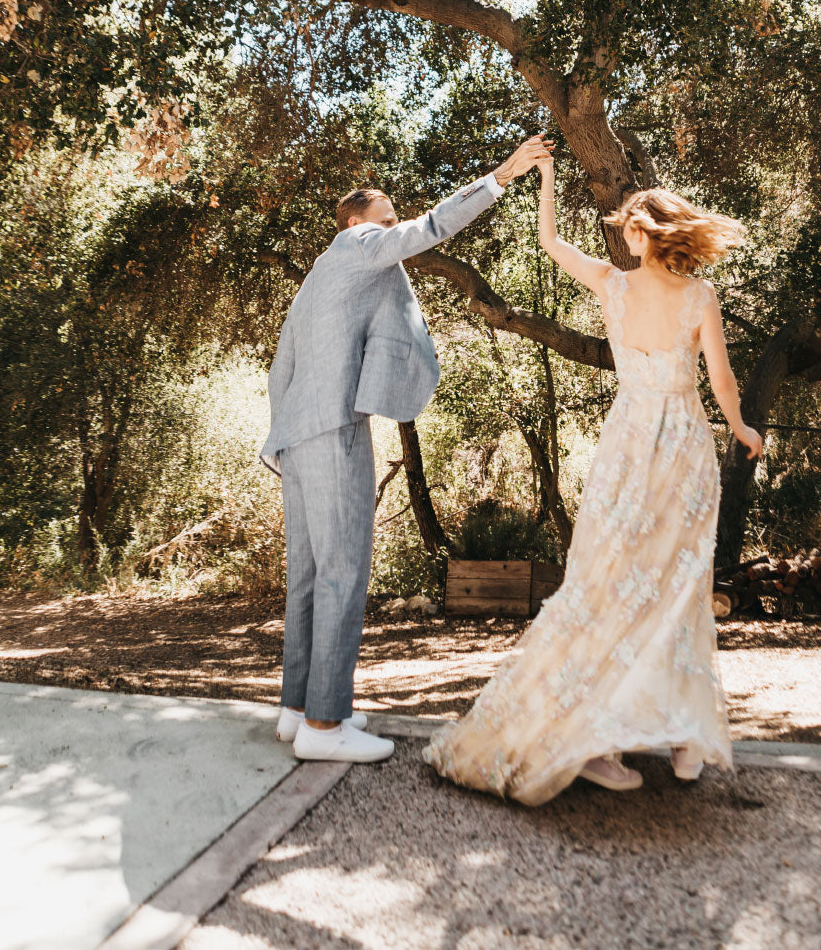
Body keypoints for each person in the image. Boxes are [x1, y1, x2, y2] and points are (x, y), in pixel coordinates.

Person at [424, 151, 762, 804]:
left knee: (607, 585)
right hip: (685, 451)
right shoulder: (700, 296)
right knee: (679, 584)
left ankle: (606, 743)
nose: (623, 236)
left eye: (628, 227)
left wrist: (547, 179)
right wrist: (742, 429)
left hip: (629, 446)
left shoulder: (613, 283)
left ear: (644, 234)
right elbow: (721, 382)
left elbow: (550, 241)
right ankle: (683, 736)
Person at [262, 134, 551, 766]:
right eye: (385, 218)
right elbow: (431, 227)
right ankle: (326, 723)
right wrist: (502, 175)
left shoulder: (315, 282)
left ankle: (297, 708)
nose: (395, 229)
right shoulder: (359, 246)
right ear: (355, 223)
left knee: (309, 576)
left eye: (393, 220)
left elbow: (280, 363)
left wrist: (279, 439)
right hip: (334, 429)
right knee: (345, 572)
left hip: (295, 437)